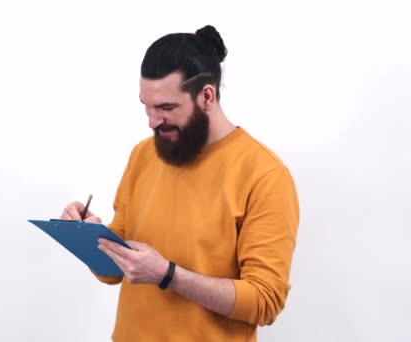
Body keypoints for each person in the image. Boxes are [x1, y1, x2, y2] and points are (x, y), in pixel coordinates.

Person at [60, 24, 300, 342]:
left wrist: (167, 275)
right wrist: (90, 238)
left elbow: (264, 301)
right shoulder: (143, 155)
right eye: (146, 106)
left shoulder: (264, 176)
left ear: (207, 96)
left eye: (166, 108)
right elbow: (113, 272)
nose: (152, 120)